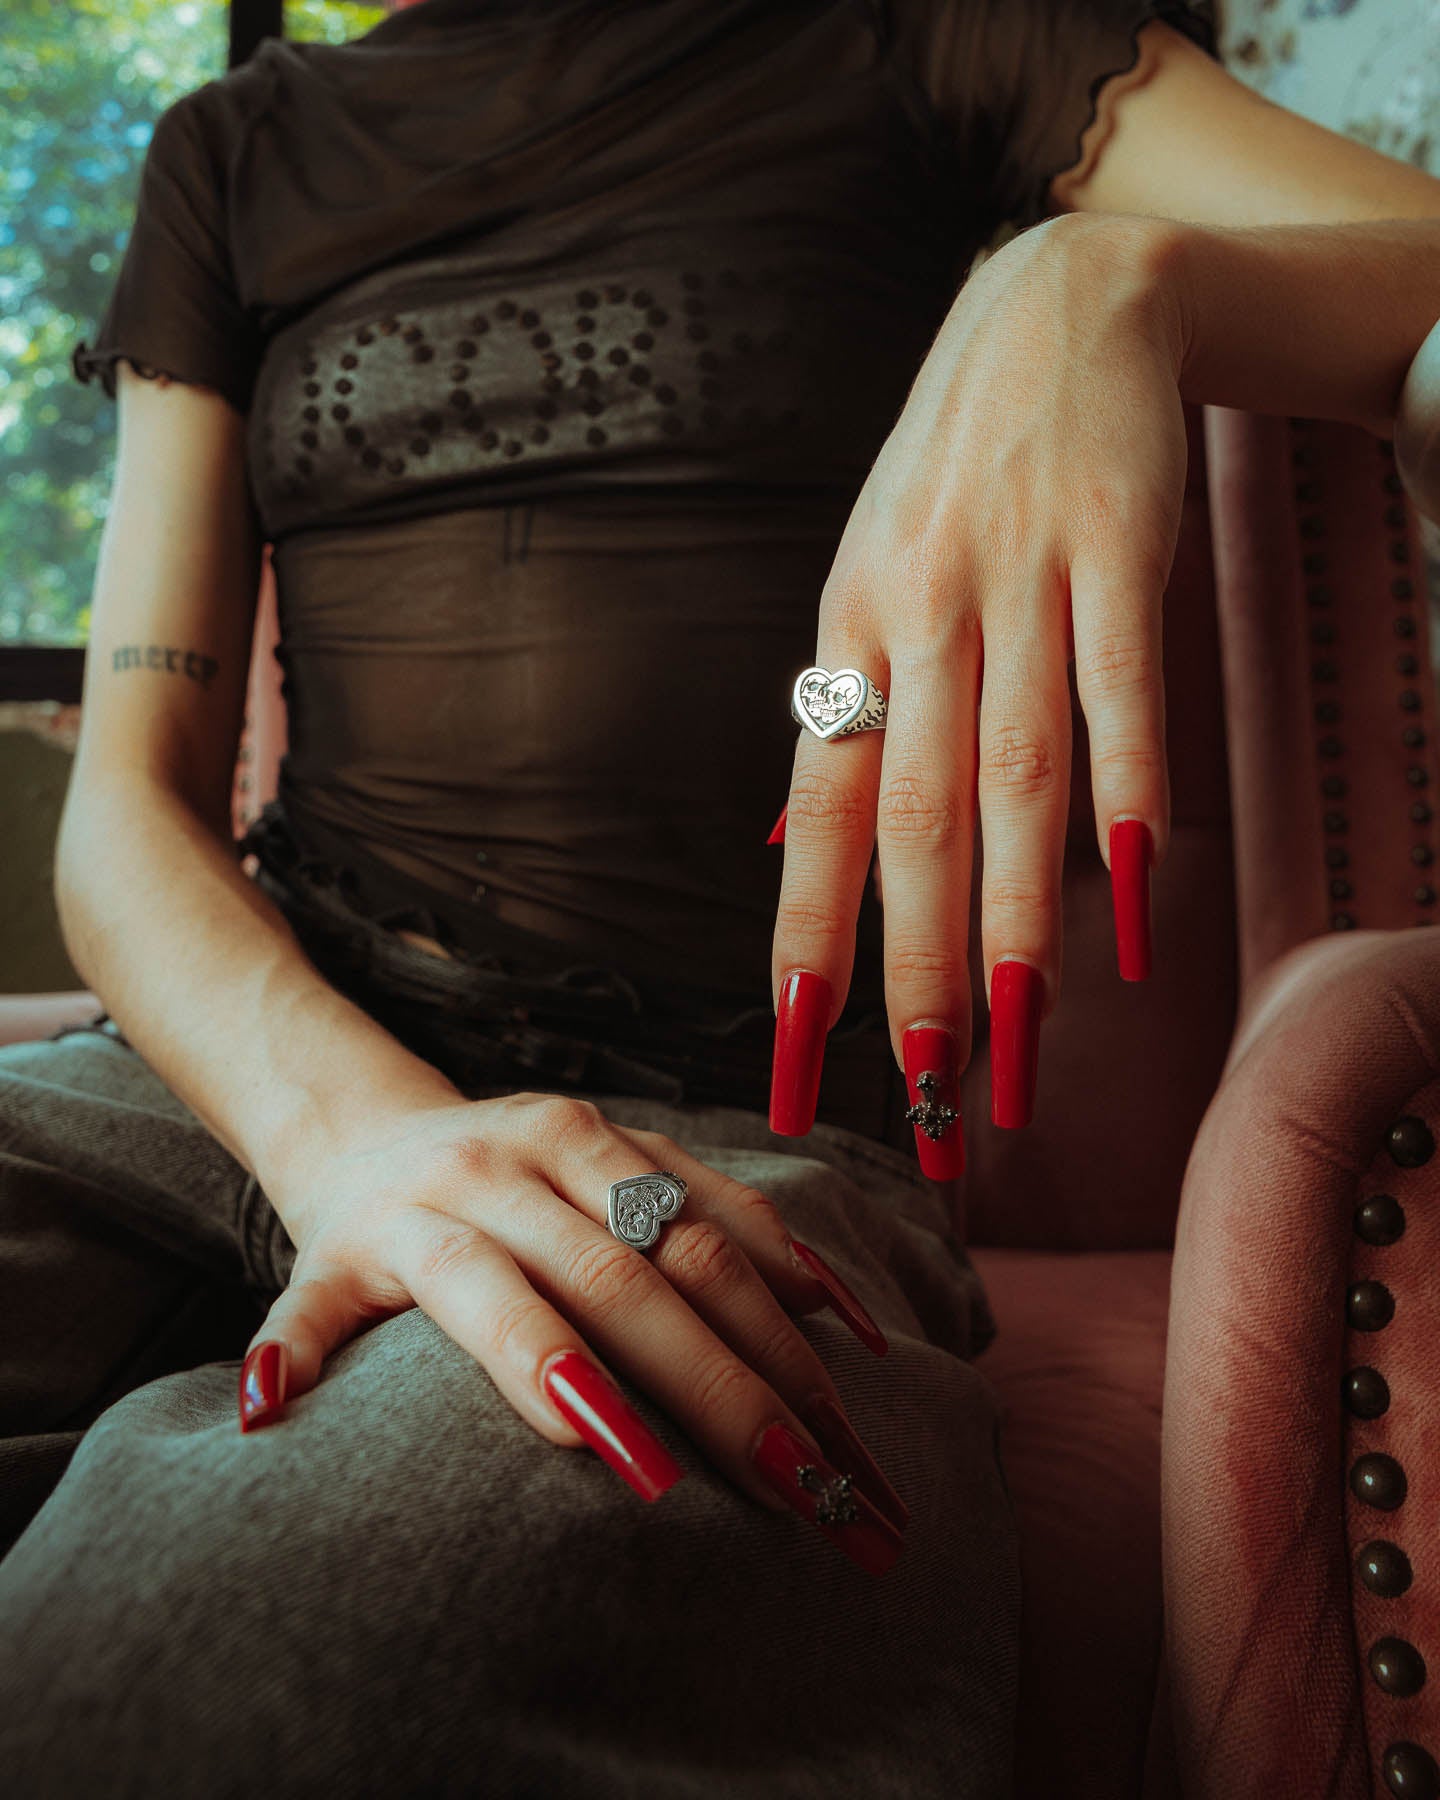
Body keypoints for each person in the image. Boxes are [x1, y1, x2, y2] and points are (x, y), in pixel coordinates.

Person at [5, 0, 1440, 1793]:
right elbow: (129, 803)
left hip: (694, 1140)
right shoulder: (229, 147)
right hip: (234, 1072)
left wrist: (1107, 278)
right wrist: (354, 1142)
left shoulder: (921, 34)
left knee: (194, 1694)